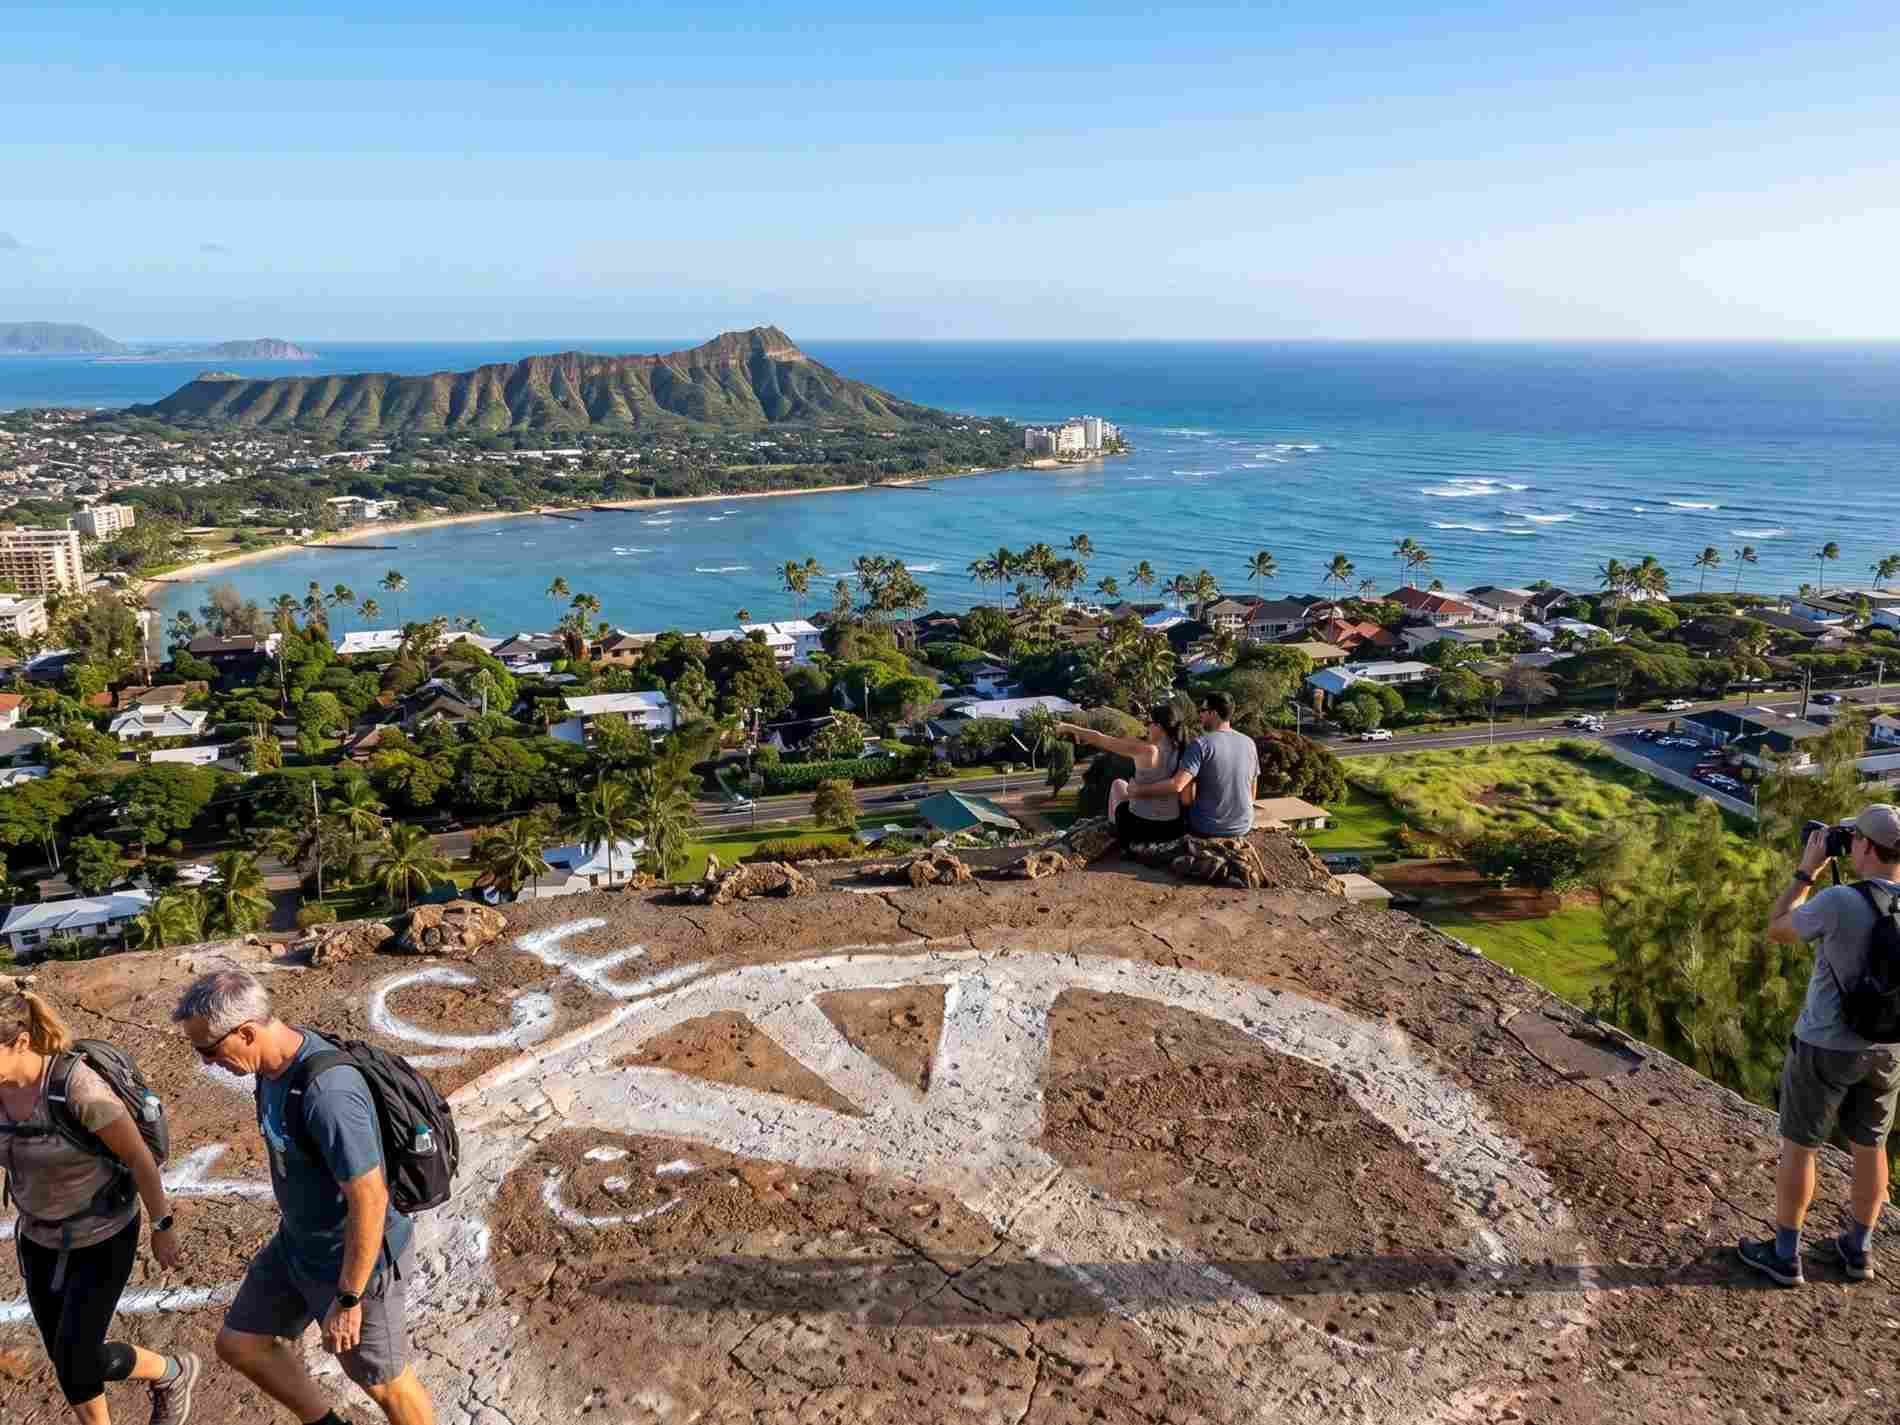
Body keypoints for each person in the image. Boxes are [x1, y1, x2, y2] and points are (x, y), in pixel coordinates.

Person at [173, 971, 434, 1425]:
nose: (207, 1064)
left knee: (386, 1383)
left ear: (247, 1032)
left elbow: (370, 1198)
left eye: (209, 1051)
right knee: (240, 1342)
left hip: (353, 1259)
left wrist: (349, 1299)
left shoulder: (325, 1093)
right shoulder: (271, 1067)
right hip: (299, 1244)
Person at [0, 988, 199, 1425]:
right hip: (38, 1238)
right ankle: (167, 1374)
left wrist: (162, 1223)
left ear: (18, 1042)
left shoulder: (75, 1086)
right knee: (68, 1361)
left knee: (77, 1357)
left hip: (103, 1235)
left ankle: (172, 1371)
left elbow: (138, 1158)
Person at [1741, 805, 1900, 1286]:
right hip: (1889, 1047)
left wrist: (1805, 873)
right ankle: (1859, 1249)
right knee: (1872, 1146)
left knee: (1800, 1146)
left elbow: (1778, 927)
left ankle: (1786, 1254)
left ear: (1867, 847)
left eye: (1853, 838)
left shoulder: (1840, 903)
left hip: (1826, 1044)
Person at [1056, 703, 1191, 845]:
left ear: (1159, 726)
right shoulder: (1184, 750)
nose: (1147, 727)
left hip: (1146, 828)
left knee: (1117, 786)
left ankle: (1116, 836)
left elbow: (1100, 739)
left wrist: (1067, 727)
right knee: (1121, 785)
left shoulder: (1147, 750)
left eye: (1149, 722)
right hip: (1173, 827)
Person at [1156, 690, 1260, 840]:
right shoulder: (1249, 743)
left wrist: (1138, 789)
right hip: (1243, 825)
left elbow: (1181, 789)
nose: (1200, 715)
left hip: (1207, 826)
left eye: (1203, 710)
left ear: (1214, 713)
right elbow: (1252, 792)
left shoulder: (1200, 745)